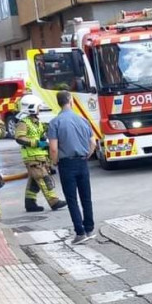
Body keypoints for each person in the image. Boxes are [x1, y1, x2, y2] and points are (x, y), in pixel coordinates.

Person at [48, 91, 96, 245]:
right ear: (70, 101)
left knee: (72, 199)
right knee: (86, 197)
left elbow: (53, 148)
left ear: (59, 103)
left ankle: (80, 232)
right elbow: (93, 143)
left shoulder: (55, 123)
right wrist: (87, 155)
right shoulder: (82, 120)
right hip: (82, 162)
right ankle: (89, 228)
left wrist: (54, 162)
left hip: (66, 164)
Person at [14, 94, 67, 213]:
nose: (40, 109)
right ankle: (54, 202)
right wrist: (37, 143)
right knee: (43, 178)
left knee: (34, 181)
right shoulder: (24, 122)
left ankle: (30, 203)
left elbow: (41, 132)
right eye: (38, 107)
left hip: (39, 156)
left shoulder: (36, 121)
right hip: (32, 157)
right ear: (31, 107)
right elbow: (19, 138)